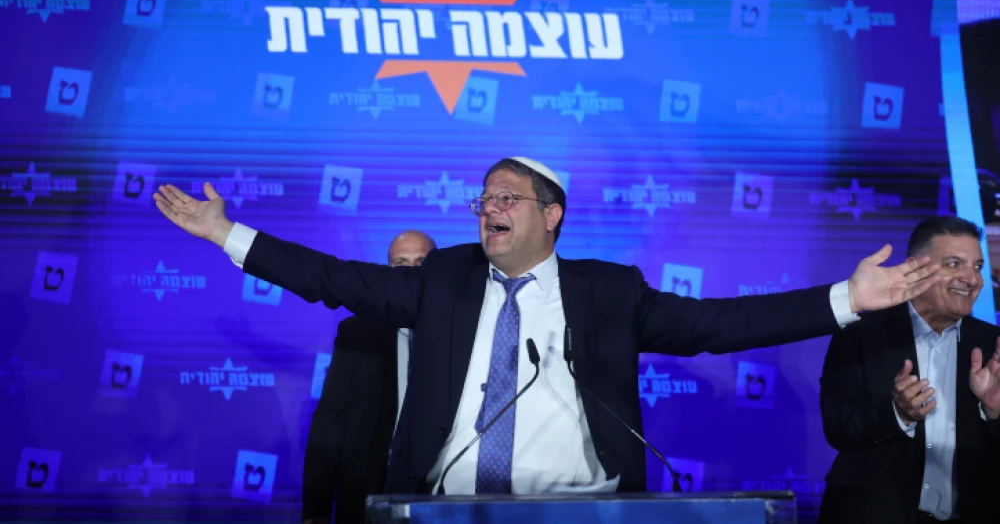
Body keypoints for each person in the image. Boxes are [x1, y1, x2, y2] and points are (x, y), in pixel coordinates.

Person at [154, 156, 941, 496]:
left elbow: (719, 323)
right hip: (448, 508)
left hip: (580, 510)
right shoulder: (442, 281)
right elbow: (333, 278)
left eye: (508, 197)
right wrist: (227, 234)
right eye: (484, 198)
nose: (489, 208)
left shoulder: (608, 291)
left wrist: (844, 297)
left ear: (551, 214)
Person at [818, 216, 1000, 524]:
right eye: (954, 264)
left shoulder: (993, 345)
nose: (972, 279)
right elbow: (838, 427)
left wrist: (994, 412)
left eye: (977, 266)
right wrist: (898, 413)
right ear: (915, 270)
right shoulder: (861, 334)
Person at [303, 231, 435, 524]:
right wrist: (315, 511)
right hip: (368, 492)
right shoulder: (358, 332)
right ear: (387, 272)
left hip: (442, 496)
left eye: (421, 262)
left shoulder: (463, 330)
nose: (411, 272)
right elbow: (330, 421)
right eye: (401, 263)